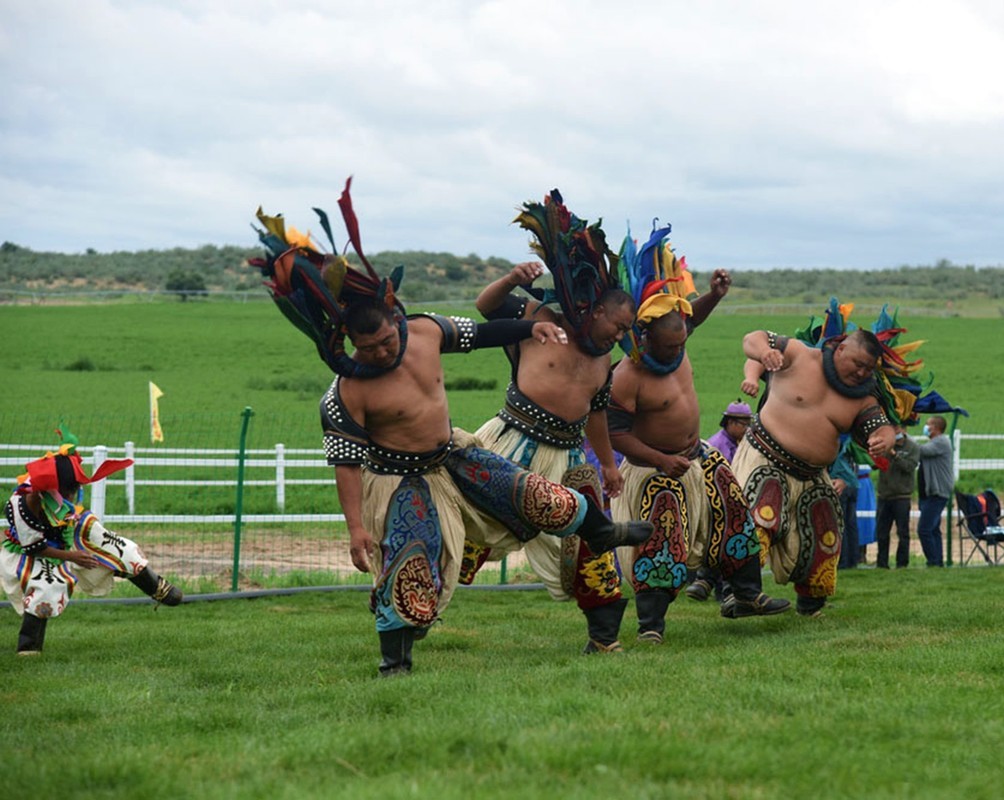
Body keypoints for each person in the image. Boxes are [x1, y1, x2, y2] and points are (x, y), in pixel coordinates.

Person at [252, 181, 650, 675]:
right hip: (400, 477)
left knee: (548, 500)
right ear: (347, 340)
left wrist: (531, 328)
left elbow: (482, 333)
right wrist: (357, 529)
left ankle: (605, 535)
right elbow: (346, 466)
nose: (379, 352)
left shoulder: (426, 331)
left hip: (455, 453)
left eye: (383, 340)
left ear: (396, 319)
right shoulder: (345, 394)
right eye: (367, 347)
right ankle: (395, 662)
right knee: (412, 559)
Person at [465, 189, 639, 654]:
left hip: (567, 457)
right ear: (598, 309)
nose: (620, 337)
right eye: (618, 326)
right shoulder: (537, 317)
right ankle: (406, 624)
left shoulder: (605, 361)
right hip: (508, 443)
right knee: (467, 531)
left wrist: (606, 464)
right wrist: (510, 278)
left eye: (627, 332)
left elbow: (596, 411)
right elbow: (484, 308)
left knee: (591, 546)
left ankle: (603, 639)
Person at [607, 225, 790, 641]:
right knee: (662, 538)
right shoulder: (627, 375)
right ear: (644, 337)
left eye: (681, 341)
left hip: (697, 455)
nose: (679, 348)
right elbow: (614, 432)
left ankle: (745, 595)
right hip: (653, 469)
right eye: (670, 345)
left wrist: (715, 296)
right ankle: (650, 625)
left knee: (736, 515)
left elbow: (692, 321)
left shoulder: (678, 341)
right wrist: (659, 460)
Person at [733, 322, 900, 617]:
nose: (862, 373)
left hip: (813, 474)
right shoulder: (800, 354)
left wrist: (883, 440)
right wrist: (764, 352)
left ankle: (811, 606)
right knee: (760, 514)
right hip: (764, 455)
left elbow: (880, 427)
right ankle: (739, 593)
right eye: (858, 364)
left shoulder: (863, 398)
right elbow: (752, 338)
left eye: (868, 369)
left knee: (825, 529)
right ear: (842, 348)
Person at [2, 426, 183, 655]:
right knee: (47, 586)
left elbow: (72, 510)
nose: (72, 495)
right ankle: (28, 648)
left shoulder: (61, 483)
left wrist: (77, 542)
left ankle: (157, 588)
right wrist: (72, 556)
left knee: (112, 542)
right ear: (50, 489)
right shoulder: (22, 505)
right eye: (69, 491)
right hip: (34, 550)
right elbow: (34, 546)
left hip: (68, 527)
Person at [686, 400, 753, 601]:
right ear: (730, 422)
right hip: (714, 503)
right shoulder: (717, 446)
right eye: (743, 424)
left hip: (726, 503)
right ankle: (718, 587)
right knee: (722, 542)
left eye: (748, 424)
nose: (747, 429)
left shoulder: (737, 444)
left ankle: (708, 584)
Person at [874, 427, 920, 568]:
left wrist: (894, 455)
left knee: (903, 533)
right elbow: (874, 466)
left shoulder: (912, 447)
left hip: (902, 496)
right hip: (884, 495)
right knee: (882, 532)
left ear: (903, 430)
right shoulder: (884, 445)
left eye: (896, 428)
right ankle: (882, 564)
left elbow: (909, 467)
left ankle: (902, 564)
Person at [915, 415, 952, 567]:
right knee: (933, 529)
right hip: (928, 493)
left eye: (928, 424)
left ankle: (933, 561)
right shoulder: (936, 442)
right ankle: (938, 562)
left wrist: (903, 437)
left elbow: (920, 451)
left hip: (937, 493)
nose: (925, 427)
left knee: (924, 529)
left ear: (935, 428)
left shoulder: (941, 442)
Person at [831, 438, 860, 570]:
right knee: (851, 523)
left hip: (839, 484)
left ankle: (842, 561)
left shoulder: (837, 442)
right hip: (852, 484)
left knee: (839, 524)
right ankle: (853, 560)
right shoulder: (853, 442)